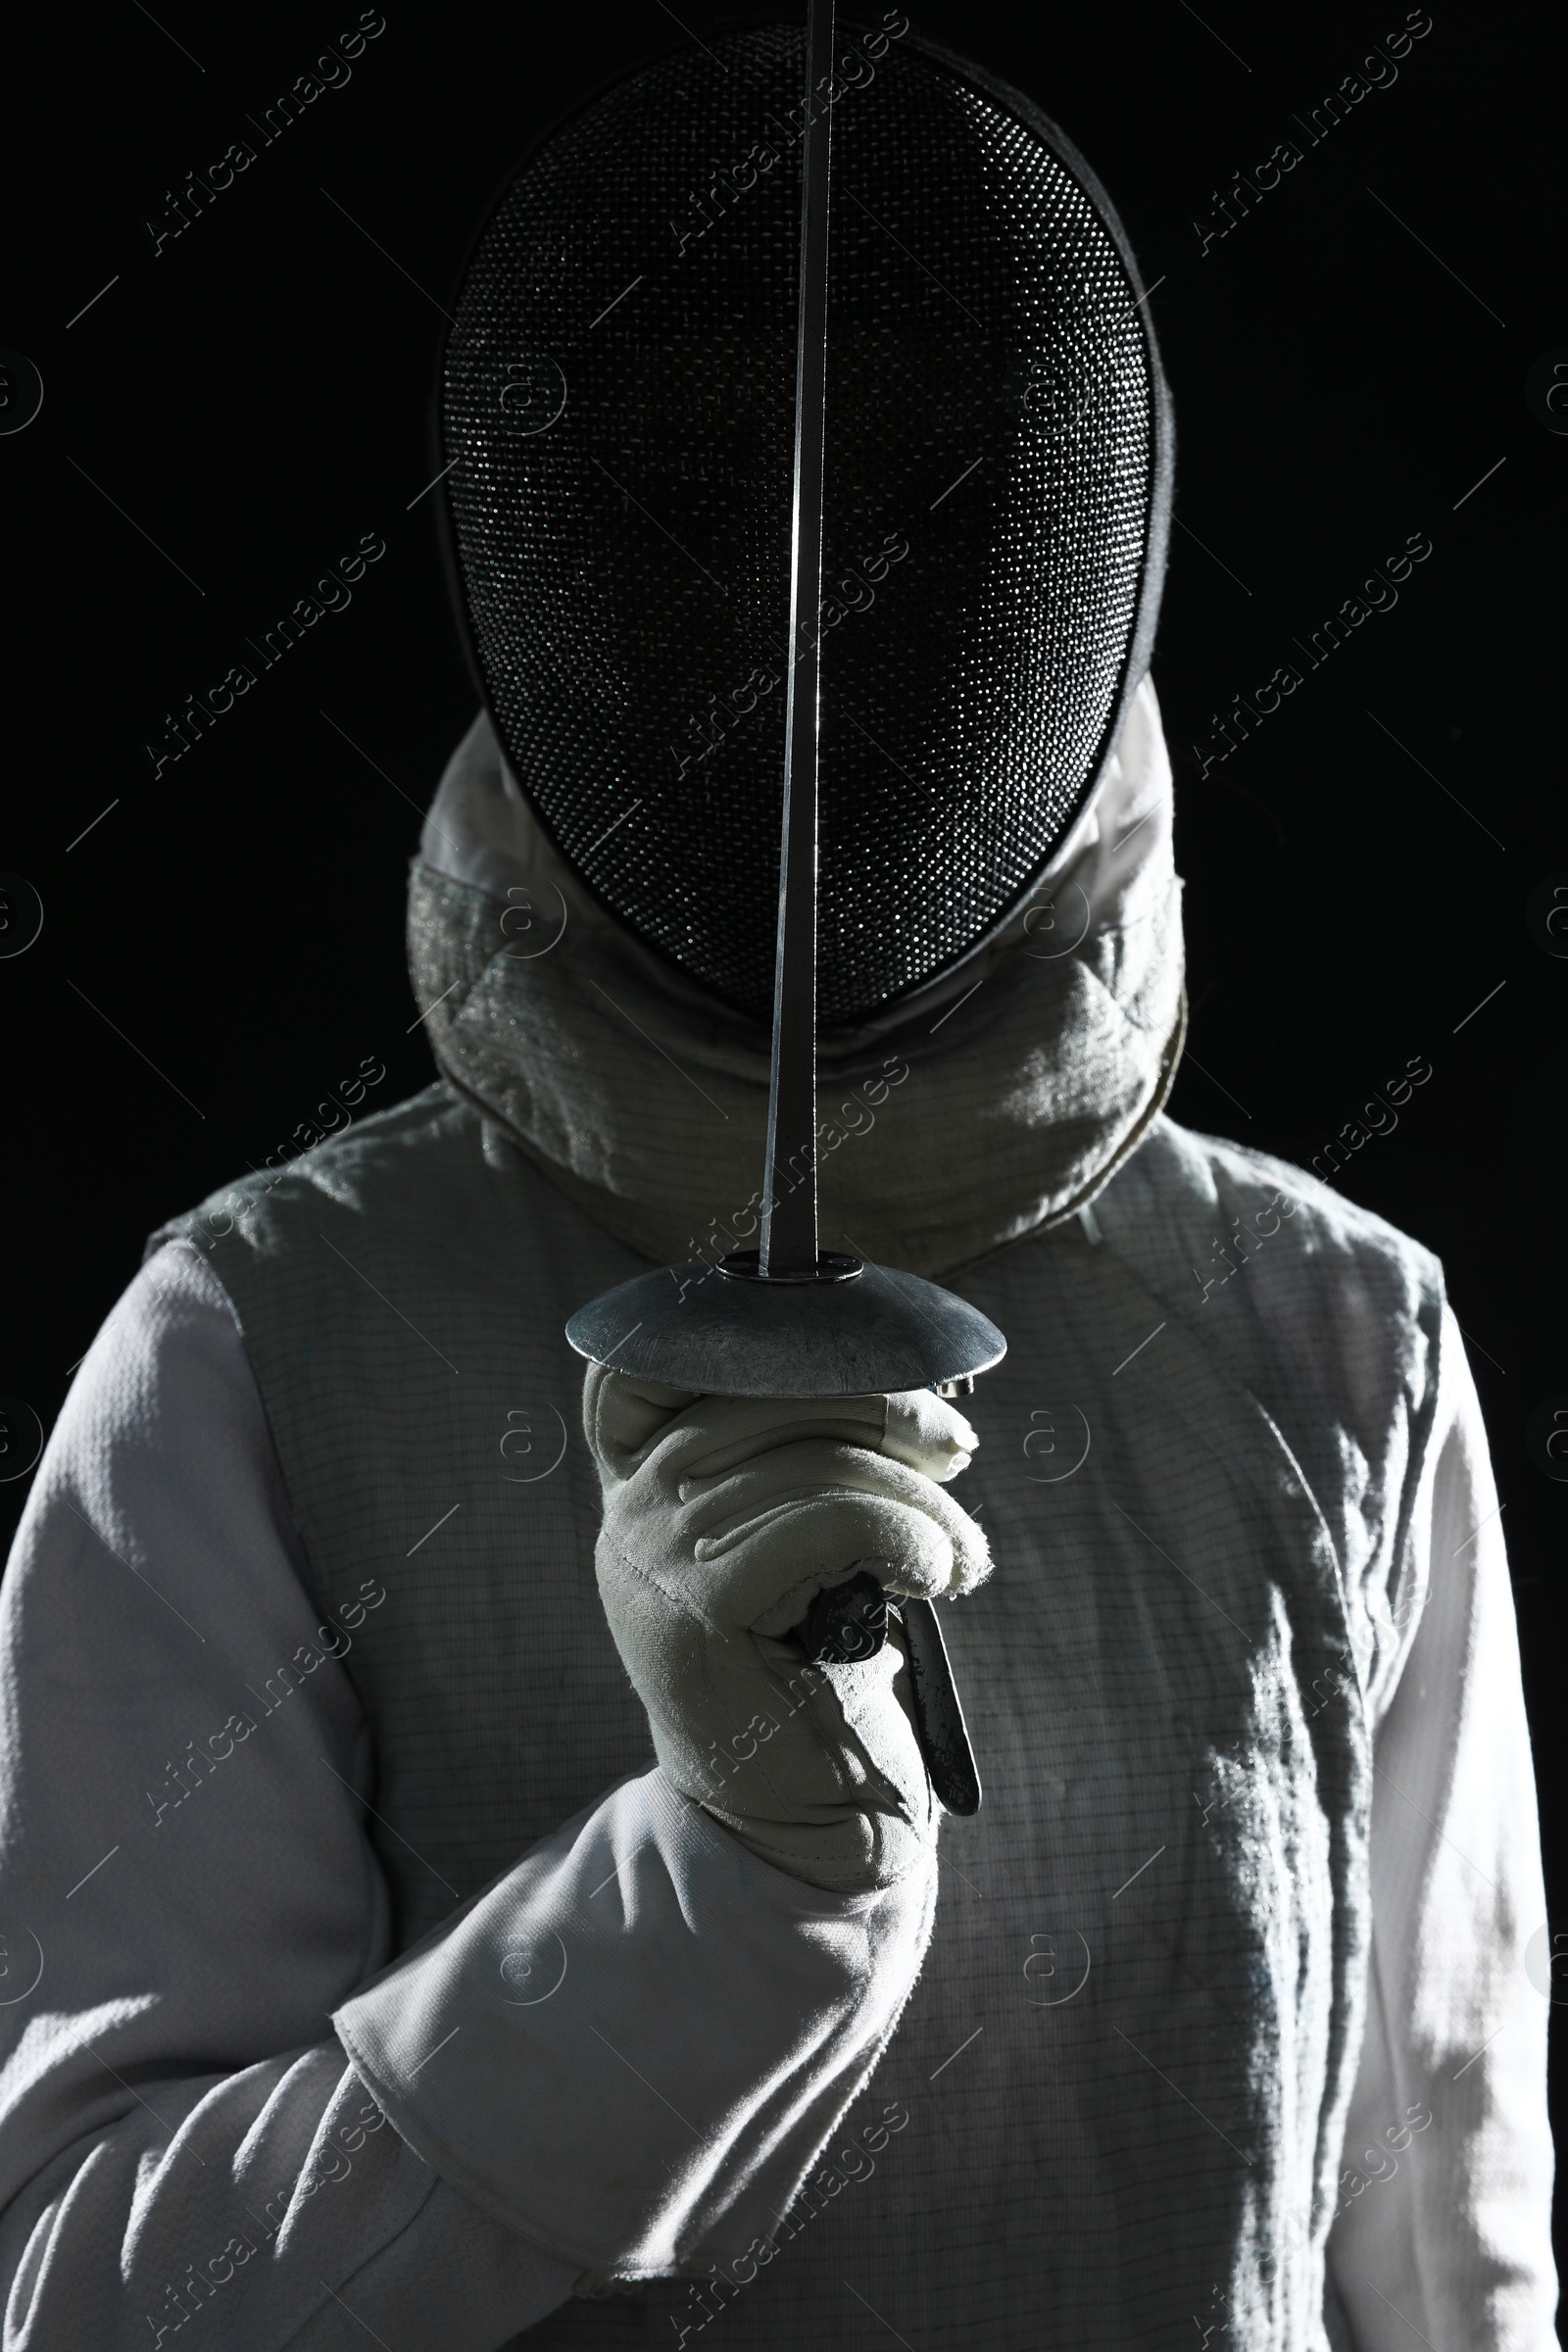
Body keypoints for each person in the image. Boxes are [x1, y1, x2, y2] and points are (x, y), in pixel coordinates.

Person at [0, 23, 1553, 2351]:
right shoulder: (259, 1338)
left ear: (1066, 564)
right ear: (564, 577)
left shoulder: (1332, 1334)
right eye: (694, 511)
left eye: (926, 512)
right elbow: (97, 2304)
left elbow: (1444, 2274)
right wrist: (709, 1905)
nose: (807, 617)